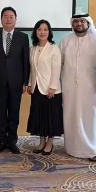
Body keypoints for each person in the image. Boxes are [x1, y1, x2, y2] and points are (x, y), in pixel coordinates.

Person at [59, 13, 96, 161]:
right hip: (69, 88)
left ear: (88, 23)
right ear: (72, 24)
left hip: (92, 87)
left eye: (82, 21)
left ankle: (92, 149)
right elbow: (59, 64)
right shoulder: (66, 41)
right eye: (76, 21)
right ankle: (72, 148)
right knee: (71, 116)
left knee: (91, 118)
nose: (79, 24)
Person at [0, 7, 30, 153]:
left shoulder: (23, 37)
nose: (8, 19)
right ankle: (1, 141)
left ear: (15, 19)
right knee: (0, 113)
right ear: (1, 19)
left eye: (11, 17)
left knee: (14, 113)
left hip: (16, 83)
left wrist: (25, 82)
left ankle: (12, 141)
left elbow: (26, 61)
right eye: (5, 17)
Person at [26, 19, 62, 155]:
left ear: (49, 32)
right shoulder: (33, 49)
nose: (42, 32)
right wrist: (30, 84)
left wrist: (52, 87)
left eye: (45, 29)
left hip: (50, 90)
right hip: (36, 88)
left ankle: (50, 143)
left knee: (50, 117)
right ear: (35, 32)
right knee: (39, 116)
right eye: (39, 29)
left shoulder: (54, 49)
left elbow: (56, 69)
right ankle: (42, 142)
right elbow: (32, 69)